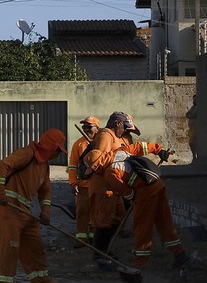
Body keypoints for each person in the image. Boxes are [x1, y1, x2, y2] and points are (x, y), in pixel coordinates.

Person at [0, 129, 71, 283]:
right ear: (50, 147)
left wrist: (45, 212)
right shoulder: (26, 154)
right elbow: (2, 166)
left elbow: (45, 191)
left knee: (35, 248)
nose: (58, 153)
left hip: (24, 212)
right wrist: (0, 194)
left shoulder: (44, 166)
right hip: (8, 210)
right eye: (57, 149)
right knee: (8, 249)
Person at [82, 112, 167, 261]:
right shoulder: (106, 136)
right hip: (104, 187)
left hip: (114, 186)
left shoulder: (118, 139)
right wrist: (129, 192)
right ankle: (99, 254)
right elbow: (100, 163)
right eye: (125, 129)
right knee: (103, 221)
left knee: (116, 218)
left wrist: (157, 149)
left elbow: (133, 150)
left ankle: (106, 250)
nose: (127, 133)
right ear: (118, 124)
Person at [103, 150, 188, 269]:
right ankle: (179, 253)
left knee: (141, 225)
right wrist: (157, 149)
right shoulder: (118, 153)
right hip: (157, 184)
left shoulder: (109, 172)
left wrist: (134, 199)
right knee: (164, 221)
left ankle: (140, 261)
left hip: (145, 191)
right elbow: (138, 146)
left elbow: (127, 193)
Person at [67, 116, 99, 243]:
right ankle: (81, 238)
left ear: (97, 128)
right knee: (82, 212)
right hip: (83, 185)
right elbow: (73, 165)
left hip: (98, 185)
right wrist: (73, 182)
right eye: (84, 126)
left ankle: (94, 236)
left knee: (97, 212)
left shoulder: (102, 142)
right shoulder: (79, 144)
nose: (86, 129)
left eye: (89, 126)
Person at [186, 95, 197, 162]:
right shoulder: (193, 107)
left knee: (195, 143)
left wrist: (190, 114)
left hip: (196, 129)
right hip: (192, 128)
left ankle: (196, 157)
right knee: (191, 143)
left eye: (195, 99)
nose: (194, 101)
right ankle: (194, 156)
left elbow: (192, 115)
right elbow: (187, 114)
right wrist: (190, 114)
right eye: (193, 99)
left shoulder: (200, 107)